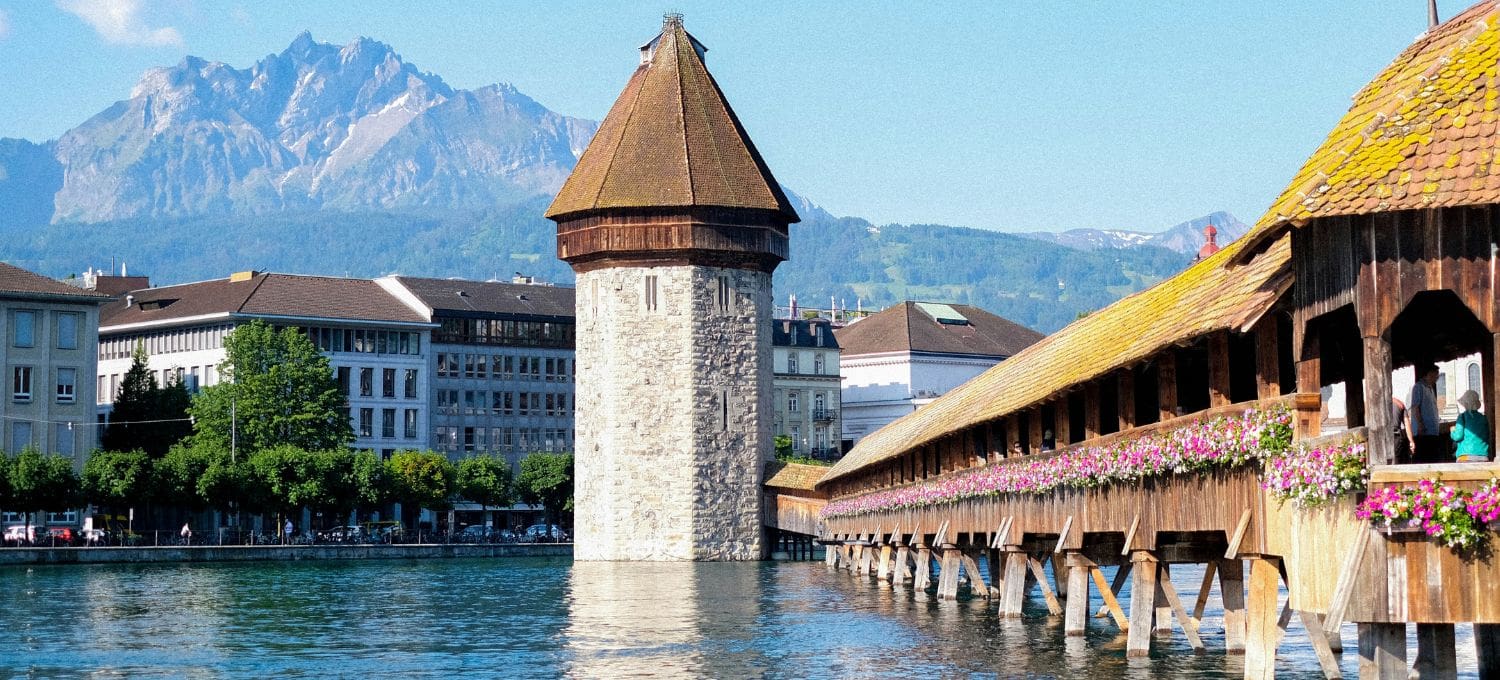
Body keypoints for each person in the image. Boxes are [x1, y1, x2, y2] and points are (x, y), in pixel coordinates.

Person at [1407, 364, 1443, 463]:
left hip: (1432, 431)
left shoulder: (1430, 388)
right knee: (1423, 458)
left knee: (1433, 458)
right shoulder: (1419, 387)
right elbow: (1415, 407)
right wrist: (1420, 425)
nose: (1437, 378)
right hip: (1423, 432)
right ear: (1429, 374)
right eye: (1436, 375)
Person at [1450, 390, 1491, 462]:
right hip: (1483, 455)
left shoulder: (1462, 417)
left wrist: (1452, 431)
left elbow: (1458, 436)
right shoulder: (1484, 418)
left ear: (1466, 403)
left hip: (1466, 456)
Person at [1392, 396, 1410, 464]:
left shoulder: (1376, 404)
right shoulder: (1399, 404)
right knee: (1396, 461)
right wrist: (1411, 441)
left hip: (1380, 437)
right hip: (1395, 435)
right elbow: (1406, 423)